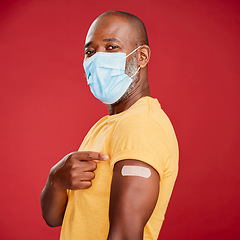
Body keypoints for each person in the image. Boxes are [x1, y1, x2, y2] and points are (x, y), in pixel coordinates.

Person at [41, 11, 179, 240]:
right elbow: (54, 218)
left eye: (111, 47)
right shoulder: (105, 126)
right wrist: (55, 179)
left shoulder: (140, 126)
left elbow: (125, 235)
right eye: (90, 51)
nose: (97, 58)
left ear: (142, 56)